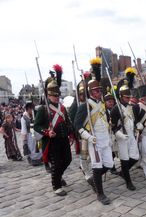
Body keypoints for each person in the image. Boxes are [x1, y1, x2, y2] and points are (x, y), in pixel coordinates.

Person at [74, 58, 114, 205]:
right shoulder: (85, 106)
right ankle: (100, 193)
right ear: (91, 91)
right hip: (94, 140)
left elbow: (106, 121)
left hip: (105, 139)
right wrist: (88, 137)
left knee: (109, 165)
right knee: (97, 166)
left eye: (100, 90)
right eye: (97, 90)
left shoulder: (102, 105)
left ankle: (94, 180)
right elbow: (77, 124)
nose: (99, 92)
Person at [34, 66, 73, 197]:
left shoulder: (62, 108)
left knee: (68, 159)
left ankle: (57, 176)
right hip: (52, 141)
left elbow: (68, 122)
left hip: (64, 139)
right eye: (53, 95)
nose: (56, 97)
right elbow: (36, 126)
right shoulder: (43, 109)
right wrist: (46, 132)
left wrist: (71, 133)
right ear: (48, 95)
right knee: (56, 163)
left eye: (57, 95)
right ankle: (56, 185)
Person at [110, 81, 139, 190]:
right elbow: (112, 126)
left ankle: (123, 172)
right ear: (121, 97)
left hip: (131, 135)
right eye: (126, 97)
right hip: (121, 137)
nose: (128, 99)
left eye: (129, 97)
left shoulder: (131, 107)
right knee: (124, 159)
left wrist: (138, 125)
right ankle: (128, 182)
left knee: (135, 157)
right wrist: (119, 134)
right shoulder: (115, 109)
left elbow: (133, 120)